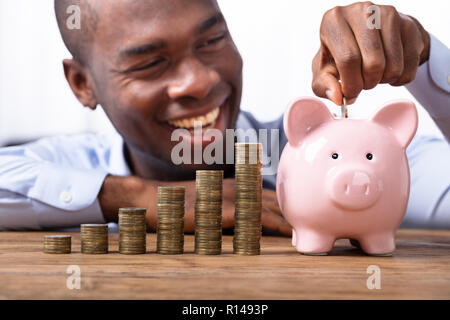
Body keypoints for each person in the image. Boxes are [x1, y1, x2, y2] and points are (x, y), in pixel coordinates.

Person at [0, 0, 448, 232]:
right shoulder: (73, 166)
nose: (197, 80)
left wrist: (425, 61)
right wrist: (139, 197)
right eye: (149, 62)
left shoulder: (342, 165)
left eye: (211, 41)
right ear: (83, 84)